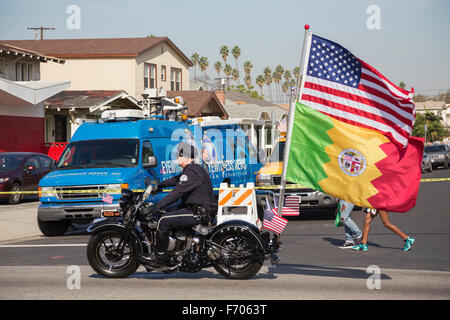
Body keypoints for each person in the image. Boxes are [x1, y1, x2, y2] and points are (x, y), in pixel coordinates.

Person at [141, 142, 215, 262]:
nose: (177, 158)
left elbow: (176, 194)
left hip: (198, 212)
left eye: (178, 156)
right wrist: (159, 185)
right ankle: (175, 248)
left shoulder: (191, 172)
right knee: (165, 212)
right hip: (199, 209)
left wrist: (155, 206)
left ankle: (159, 255)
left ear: (185, 158)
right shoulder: (192, 169)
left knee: (163, 220)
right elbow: (176, 179)